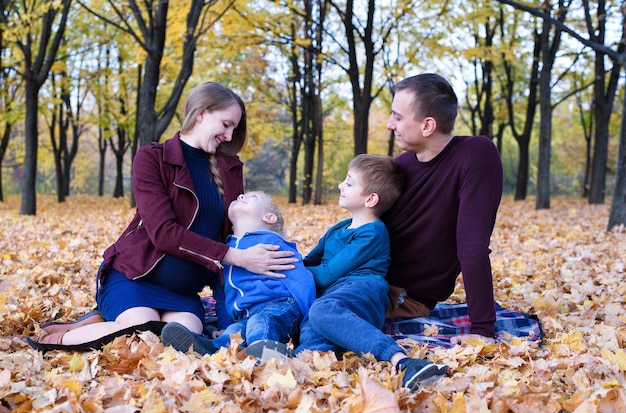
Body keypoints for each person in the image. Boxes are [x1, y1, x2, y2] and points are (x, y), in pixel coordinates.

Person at [28, 82, 298, 352]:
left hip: (182, 294)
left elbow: (228, 241)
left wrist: (227, 321)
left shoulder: (229, 170)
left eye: (233, 129)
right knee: (140, 336)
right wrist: (238, 256)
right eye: (226, 124)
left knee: (179, 344)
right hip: (133, 278)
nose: (229, 136)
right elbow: (164, 234)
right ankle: (65, 336)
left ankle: (102, 321)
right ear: (202, 113)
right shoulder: (153, 158)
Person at [294, 154, 449, 392]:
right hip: (333, 296)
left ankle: (403, 361)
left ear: (370, 199)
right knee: (309, 336)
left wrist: (296, 272)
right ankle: (314, 379)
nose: (340, 186)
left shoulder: (372, 233)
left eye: (348, 182)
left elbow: (325, 274)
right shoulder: (339, 228)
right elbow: (309, 261)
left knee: (321, 311)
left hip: (363, 290)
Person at [382, 73, 503, 346]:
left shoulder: (475, 154)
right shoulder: (400, 167)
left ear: (428, 125)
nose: (390, 125)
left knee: (316, 307)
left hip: (399, 297)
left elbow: (472, 245)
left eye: (398, 117)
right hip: (361, 279)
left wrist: (482, 329)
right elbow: (357, 229)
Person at [161, 191, 316, 360]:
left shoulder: (273, 243)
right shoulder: (225, 252)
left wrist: (308, 321)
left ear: (269, 217)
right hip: (244, 316)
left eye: (253, 197)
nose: (241, 196)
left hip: (279, 306)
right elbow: (221, 297)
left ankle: (267, 352)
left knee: (260, 322)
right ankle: (206, 348)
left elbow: (301, 279)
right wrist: (225, 325)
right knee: (234, 333)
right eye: (240, 197)